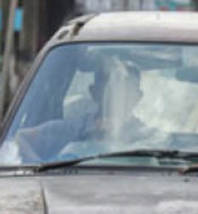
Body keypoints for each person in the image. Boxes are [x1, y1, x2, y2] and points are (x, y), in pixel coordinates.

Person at [14, 62, 160, 163]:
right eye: (108, 89)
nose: (117, 96)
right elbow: (22, 137)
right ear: (94, 92)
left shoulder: (150, 138)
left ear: (138, 97)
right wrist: (39, 167)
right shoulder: (72, 129)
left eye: (126, 90)